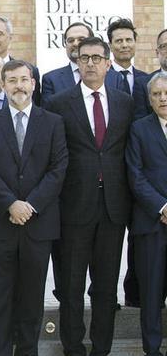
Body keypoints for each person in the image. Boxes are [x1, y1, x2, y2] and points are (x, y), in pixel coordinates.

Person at [45, 37, 133, 356]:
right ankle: (73, 346)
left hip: (112, 207)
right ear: (77, 63)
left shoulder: (124, 102)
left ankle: (102, 348)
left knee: (106, 286)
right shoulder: (59, 103)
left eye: (97, 58)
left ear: (109, 64)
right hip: (73, 208)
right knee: (71, 285)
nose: (91, 63)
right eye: (85, 58)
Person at [0, 59, 68, 356]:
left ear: (33, 84)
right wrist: (11, 204)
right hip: (0, 223)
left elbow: (58, 168)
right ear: (4, 86)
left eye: (23, 80)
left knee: (31, 298)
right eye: (12, 81)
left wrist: (30, 205)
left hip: (38, 224)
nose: (18, 86)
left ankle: (27, 351)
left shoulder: (52, 122)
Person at [106, 18, 150, 310]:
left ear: (135, 42)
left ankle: (137, 294)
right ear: (110, 45)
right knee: (107, 243)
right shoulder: (101, 79)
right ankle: (106, 296)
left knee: (140, 238)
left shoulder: (149, 82)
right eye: (118, 40)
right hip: (109, 173)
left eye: (128, 39)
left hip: (142, 174)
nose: (123, 45)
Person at [126, 72, 167, 356]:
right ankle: (152, 351)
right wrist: (162, 206)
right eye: (156, 94)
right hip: (151, 224)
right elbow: (135, 174)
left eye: (166, 93)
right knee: (151, 295)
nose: (163, 98)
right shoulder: (139, 129)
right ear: (149, 99)